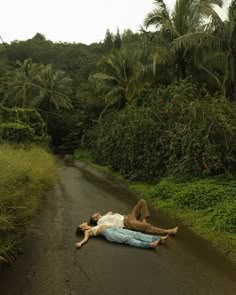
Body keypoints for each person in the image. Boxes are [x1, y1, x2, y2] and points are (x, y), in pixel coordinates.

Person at [89, 199, 178, 235]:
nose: (95, 213)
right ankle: (167, 231)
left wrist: (110, 214)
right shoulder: (99, 222)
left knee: (142, 201)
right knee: (146, 227)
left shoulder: (105, 215)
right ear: (95, 219)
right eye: (94, 215)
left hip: (129, 216)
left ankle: (144, 221)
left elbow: (112, 215)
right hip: (127, 224)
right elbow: (103, 228)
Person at [75, 222, 169, 249]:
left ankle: (159, 238)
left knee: (135, 233)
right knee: (128, 239)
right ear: (82, 228)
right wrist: (80, 243)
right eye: (81, 224)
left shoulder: (92, 226)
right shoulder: (87, 232)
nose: (82, 223)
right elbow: (85, 239)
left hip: (113, 229)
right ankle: (149, 245)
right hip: (109, 233)